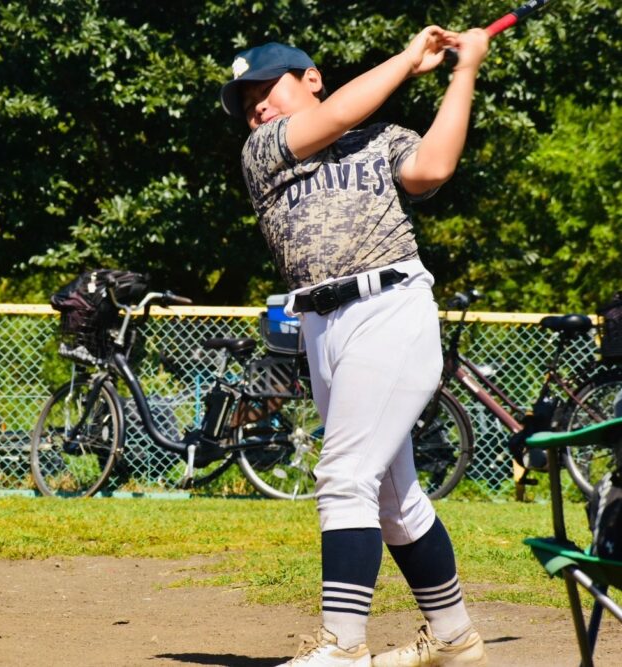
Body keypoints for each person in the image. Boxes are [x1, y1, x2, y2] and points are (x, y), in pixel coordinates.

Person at [220, 26, 491, 667]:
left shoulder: (382, 138)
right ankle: (453, 636)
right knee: (394, 500)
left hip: (389, 307)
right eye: (247, 100)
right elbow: (340, 111)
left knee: (344, 477)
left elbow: (432, 168)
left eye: (267, 88)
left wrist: (463, 70)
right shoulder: (265, 151)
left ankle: (342, 647)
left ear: (310, 76)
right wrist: (407, 59)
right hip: (322, 327)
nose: (257, 106)